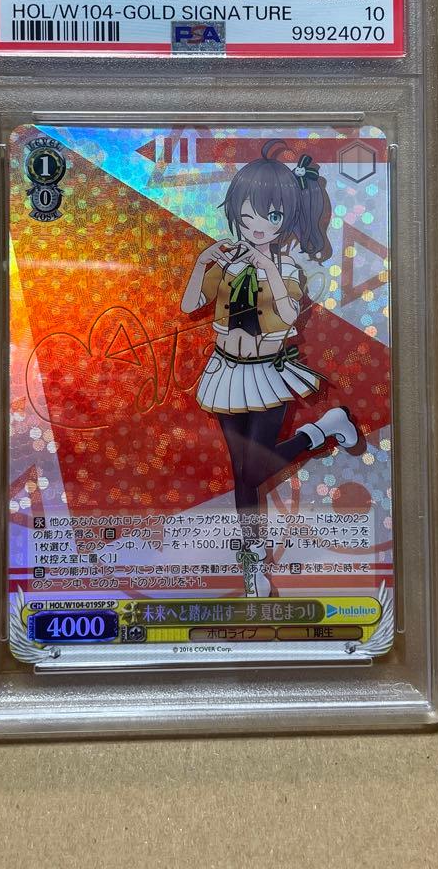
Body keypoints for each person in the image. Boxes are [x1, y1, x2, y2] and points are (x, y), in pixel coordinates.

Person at [180, 141, 366, 598]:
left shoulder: (290, 267)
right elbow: (189, 304)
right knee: (241, 472)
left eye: (270, 215)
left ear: (286, 218)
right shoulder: (228, 262)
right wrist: (204, 262)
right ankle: (254, 562)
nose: (255, 225)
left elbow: (287, 316)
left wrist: (266, 266)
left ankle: (319, 432)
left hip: (267, 372)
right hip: (225, 372)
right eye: (246, 215)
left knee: (252, 471)